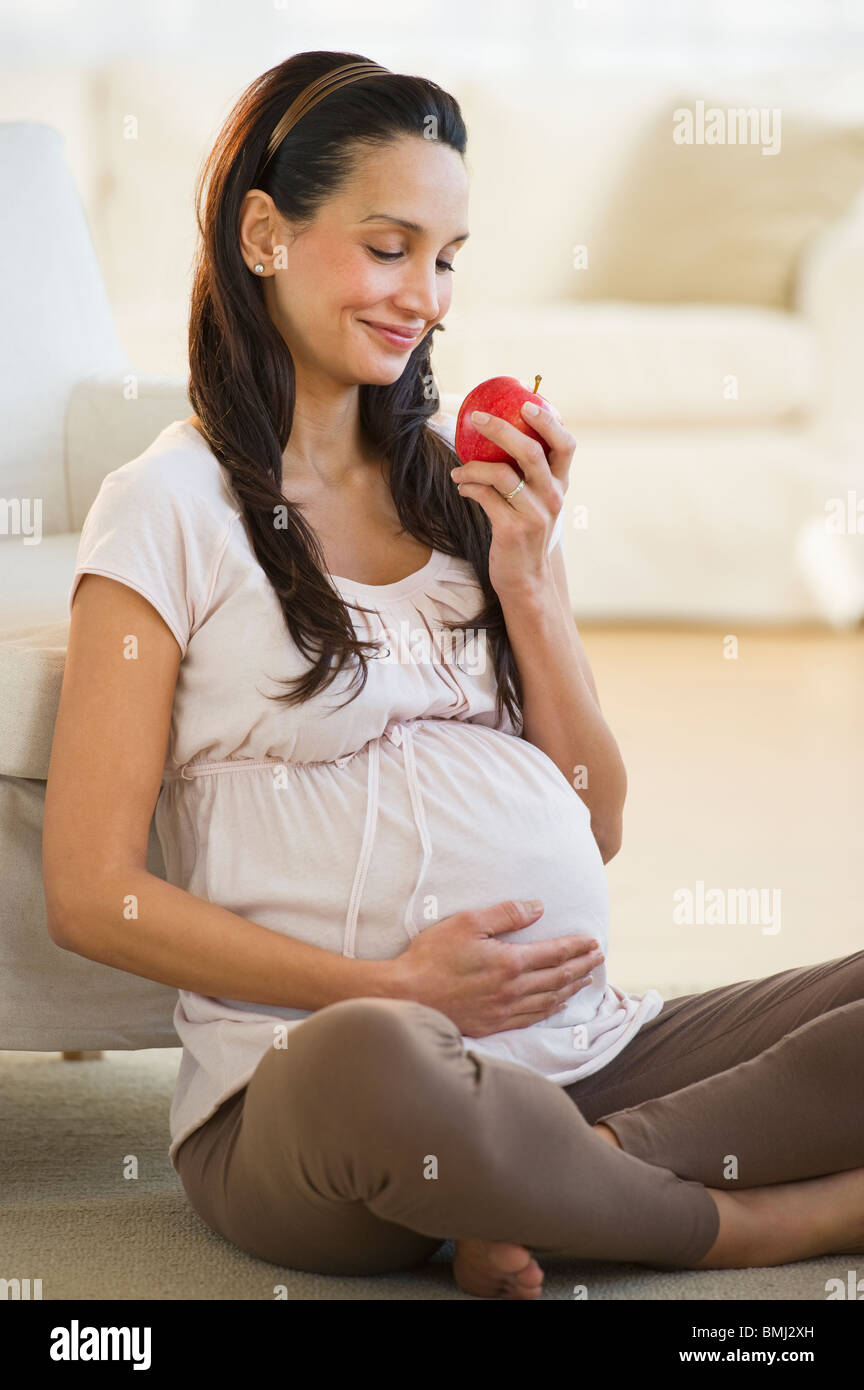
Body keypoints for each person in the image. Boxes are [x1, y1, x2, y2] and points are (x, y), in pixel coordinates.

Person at [43, 52, 864, 1300]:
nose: (423, 295)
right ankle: (748, 1224)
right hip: (312, 1085)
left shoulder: (468, 492)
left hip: (587, 1049)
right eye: (388, 246)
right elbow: (94, 895)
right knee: (381, 1057)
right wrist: (393, 984)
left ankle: (577, 1171)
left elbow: (597, 819)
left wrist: (532, 584)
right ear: (265, 233)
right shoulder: (163, 506)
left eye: (446, 258)